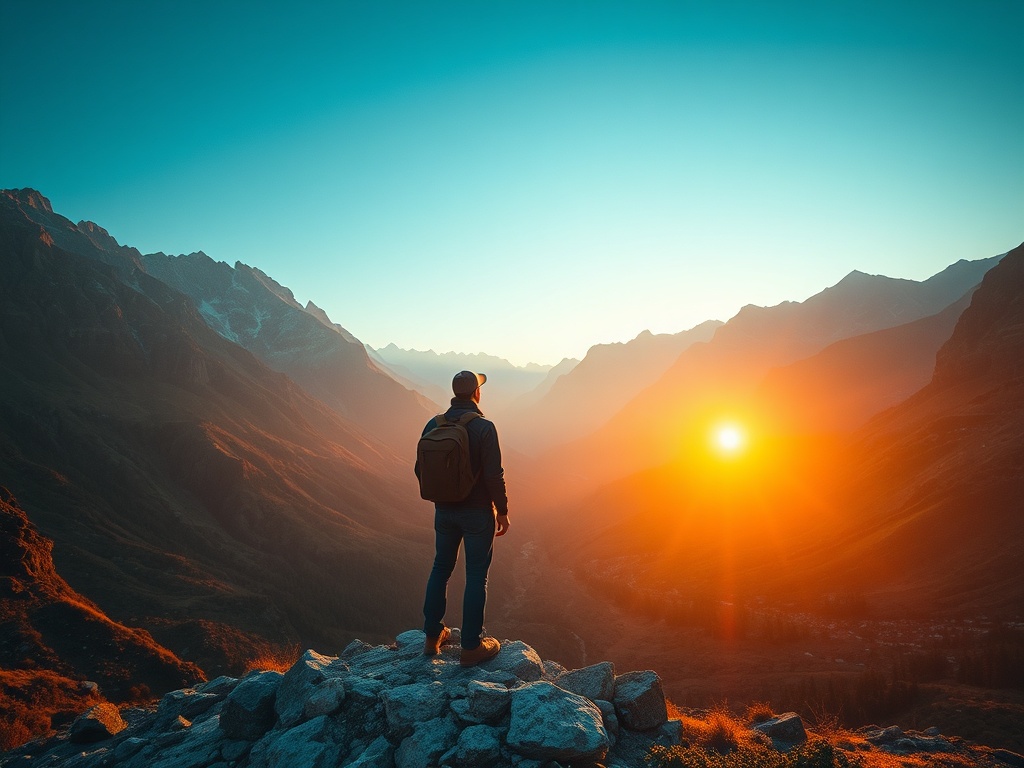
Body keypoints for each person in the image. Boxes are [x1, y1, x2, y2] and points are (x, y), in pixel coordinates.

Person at [417, 370, 510, 666]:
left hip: (444, 511)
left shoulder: (434, 424)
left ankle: (432, 637)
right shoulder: (484, 427)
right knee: (475, 576)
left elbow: (421, 469)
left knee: (440, 567)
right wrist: (503, 510)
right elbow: (495, 475)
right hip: (477, 513)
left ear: (455, 393)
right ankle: (471, 646)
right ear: (476, 394)